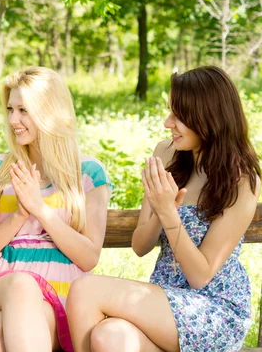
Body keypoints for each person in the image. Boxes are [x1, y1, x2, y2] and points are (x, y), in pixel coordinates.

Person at [66, 66, 260, 352]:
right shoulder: (166, 153)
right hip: (164, 299)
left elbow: (201, 275)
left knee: (84, 289)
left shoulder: (242, 179)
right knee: (110, 335)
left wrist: (170, 214)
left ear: (207, 116)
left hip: (212, 310)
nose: (168, 123)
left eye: (178, 116)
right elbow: (140, 246)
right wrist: (158, 209)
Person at [0, 66, 112, 352]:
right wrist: (20, 216)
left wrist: (39, 209)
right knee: (22, 285)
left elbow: (89, 257)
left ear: (50, 111)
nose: (13, 120)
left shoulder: (87, 173)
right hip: (4, 282)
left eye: (23, 110)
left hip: (64, 289)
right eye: (10, 109)